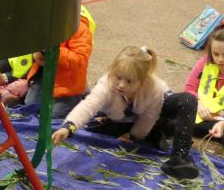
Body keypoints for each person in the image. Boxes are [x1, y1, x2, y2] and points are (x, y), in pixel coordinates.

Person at [52, 46, 200, 180]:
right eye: (118, 77)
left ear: (142, 81)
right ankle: (161, 132)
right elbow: (88, 105)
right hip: (123, 120)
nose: (121, 84)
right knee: (101, 125)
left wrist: (134, 136)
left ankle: (180, 157)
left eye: (129, 81)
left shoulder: (154, 88)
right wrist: (69, 127)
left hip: (155, 116)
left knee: (188, 101)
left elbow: (149, 116)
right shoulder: (107, 84)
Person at [1, 7, 93, 118]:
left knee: (51, 117)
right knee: (29, 108)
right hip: (41, 77)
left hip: (67, 86)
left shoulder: (79, 28)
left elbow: (79, 61)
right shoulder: (43, 21)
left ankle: (81, 97)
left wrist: (53, 50)